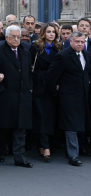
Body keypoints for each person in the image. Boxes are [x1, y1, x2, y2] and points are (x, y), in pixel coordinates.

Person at [0, 25, 33, 168]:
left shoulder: (25, 51)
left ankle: (20, 158)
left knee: (21, 128)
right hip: (6, 95)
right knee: (3, 127)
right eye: (13, 37)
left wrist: (29, 89)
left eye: (18, 37)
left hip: (23, 95)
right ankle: (1, 152)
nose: (16, 39)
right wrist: (0, 88)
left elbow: (28, 73)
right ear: (6, 37)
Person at [47, 31, 91, 166]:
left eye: (82, 42)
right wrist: (55, 91)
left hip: (84, 96)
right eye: (77, 41)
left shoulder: (87, 55)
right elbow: (51, 76)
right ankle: (73, 155)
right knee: (71, 127)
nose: (80, 44)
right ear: (71, 41)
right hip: (68, 97)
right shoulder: (63, 56)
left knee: (81, 124)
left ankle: (81, 148)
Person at [30, 23, 61, 162]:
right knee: (41, 116)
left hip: (52, 87)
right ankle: (45, 146)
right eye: (48, 32)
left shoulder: (58, 47)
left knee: (50, 116)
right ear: (43, 33)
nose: (51, 34)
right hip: (38, 86)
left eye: (53, 32)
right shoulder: (36, 47)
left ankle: (46, 145)